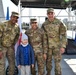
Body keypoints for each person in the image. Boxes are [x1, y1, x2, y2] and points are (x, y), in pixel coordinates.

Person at [41, 8, 67, 75]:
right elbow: (42, 37)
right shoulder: (44, 24)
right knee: (48, 64)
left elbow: (64, 35)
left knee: (57, 64)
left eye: (51, 13)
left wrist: (63, 46)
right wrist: (44, 50)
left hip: (57, 47)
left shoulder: (59, 23)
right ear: (47, 15)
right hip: (48, 47)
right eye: (49, 14)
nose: (50, 15)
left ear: (54, 14)